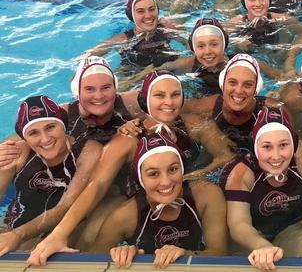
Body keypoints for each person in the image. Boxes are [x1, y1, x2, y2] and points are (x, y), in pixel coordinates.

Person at [26, 71, 234, 266]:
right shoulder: (129, 136)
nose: (169, 102)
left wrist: (194, 176)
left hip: (190, 193)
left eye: (175, 94)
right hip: (141, 202)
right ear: (145, 101)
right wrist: (59, 234)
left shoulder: (195, 125)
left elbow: (226, 157)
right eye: (159, 95)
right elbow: (97, 184)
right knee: (91, 237)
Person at [220, 106, 302, 271]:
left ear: (293, 145)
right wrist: (261, 245)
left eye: (283, 145)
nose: (276, 156)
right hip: (250, 237)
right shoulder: (240, 173)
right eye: (267, 147)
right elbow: (238, 224)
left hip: (293, 228)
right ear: (255, 147)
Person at [92, 132, 227, 269]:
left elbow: (220, 254)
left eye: (173, 169)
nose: (166, 182)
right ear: (140, 179)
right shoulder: (124, 217)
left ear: (182, 169)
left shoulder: (206, 196)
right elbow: (91, 264)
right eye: (153, 174)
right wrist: (121, 255)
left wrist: (185, 255)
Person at [0, 96, 101, 256]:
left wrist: (17, 236)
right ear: (24, 137)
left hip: (62, 231)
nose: (45, 139)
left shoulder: (88, 151)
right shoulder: (18, 153)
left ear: (63, 125)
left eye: (50, 127)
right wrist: (11, 234)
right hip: (13, 225)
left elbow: (64, 207)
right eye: (34, 133)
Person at [182, 54, 281, 155]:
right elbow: (178, 110)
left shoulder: (273, 111)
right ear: (223, 84)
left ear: (256, 89)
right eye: (232, 83)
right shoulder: (209, 106)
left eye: (247, 85)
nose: (238, 91)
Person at [118, 18, 229, 95]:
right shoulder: (188, 64)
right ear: (193, 48)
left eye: (214, 44)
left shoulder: (235, 65)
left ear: (224, 44)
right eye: (200, 46)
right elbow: (150, 71)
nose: (207, 51)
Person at [85, 0, 187, 75]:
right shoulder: (124, 39)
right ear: (131, 15)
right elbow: (89, 55)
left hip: (168, 66)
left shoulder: (166, 26)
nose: (148, 16)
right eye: (140, 11)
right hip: (135, 73)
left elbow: (190, 42)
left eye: (151, 9)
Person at [223, 0, 302, 57]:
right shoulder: (237, 22)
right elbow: (216, 38)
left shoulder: (283, 19)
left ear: (269, 1)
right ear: (244, 2)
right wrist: (236, 41)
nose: (258, 4)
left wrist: (287, 48)